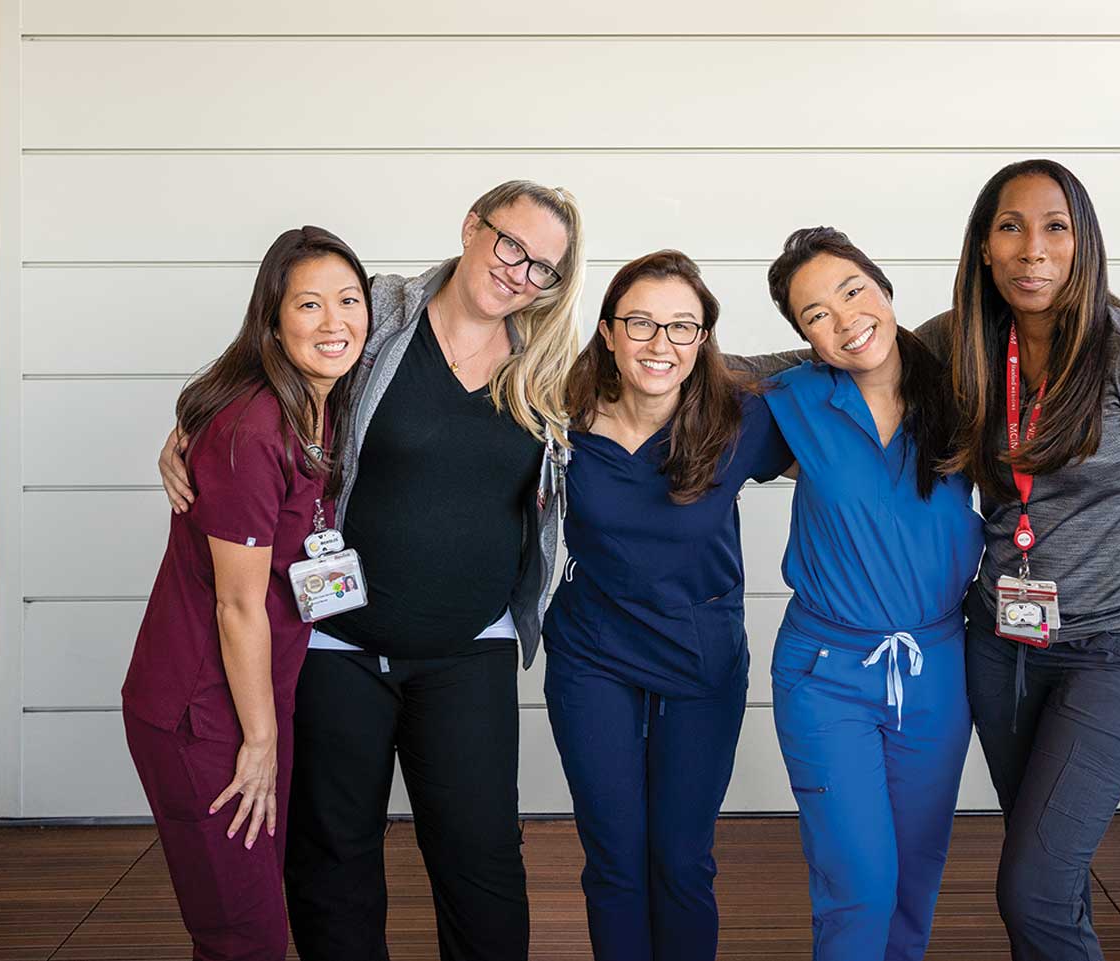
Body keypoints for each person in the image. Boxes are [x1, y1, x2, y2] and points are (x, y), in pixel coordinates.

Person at [158, 181, 586, 961]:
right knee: (332, 861)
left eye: (544, 268)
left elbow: (680, 363)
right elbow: (272, 361)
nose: (520, 273)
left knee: (482, 861)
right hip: (336, 645)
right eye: (510, 245)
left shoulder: (552, 365)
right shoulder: (378, 311)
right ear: (471, 227)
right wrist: (189, 421)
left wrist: (868, 354)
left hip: (469, 648)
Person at [945, 160, 1120, 961]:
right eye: (1011, 227)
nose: (1033, 249)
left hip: (1113, 651)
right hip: (1000, 648)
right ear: (985, 248)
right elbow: (853, 355)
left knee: (1029, 884)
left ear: (1083, 243)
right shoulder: (963, 344)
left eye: (1055, 227)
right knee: (1050, 879)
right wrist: (689, 362)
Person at [122, 225, 370, 961]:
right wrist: (259, 741)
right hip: (204, 711)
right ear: (272, 318)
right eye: (309, 305)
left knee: (252, 916)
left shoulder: (316, 402)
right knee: (244, 934)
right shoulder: (251, 429)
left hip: (257, 696)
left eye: (349, 300)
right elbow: (237, 604)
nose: (336, 323)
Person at [544, 250, 792, 961]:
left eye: (682, 327)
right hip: (593, 656)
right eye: (643, 323)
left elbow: (855, 412)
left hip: (702, 658)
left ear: (705, 339)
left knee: (682, 860)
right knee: (616, 859)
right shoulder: (557, 415)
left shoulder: (741, 421)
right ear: (608, 331)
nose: (661, 344)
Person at [761, 227, 982, 961]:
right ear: (804, 338)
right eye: (815, 313)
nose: (844, 317)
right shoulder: (791, 403)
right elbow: (689, 437)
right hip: (827, 673)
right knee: (860, 882)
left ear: (884, 290)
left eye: (852, 290)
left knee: (915, 882)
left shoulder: (960, 389)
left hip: (938, 671)